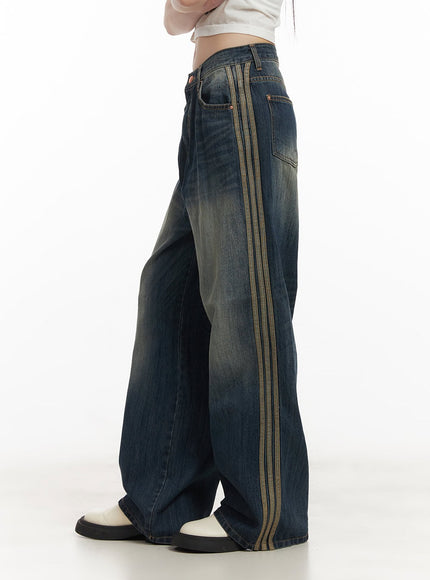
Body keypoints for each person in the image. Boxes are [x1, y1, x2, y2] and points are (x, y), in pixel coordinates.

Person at [75, 0, 309, 552]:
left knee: (246, 305)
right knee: (169, 291)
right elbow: (175, 19)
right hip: (215, 97)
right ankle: (163, 497)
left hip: (239, 90)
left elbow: (183, 8)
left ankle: (267, 512)